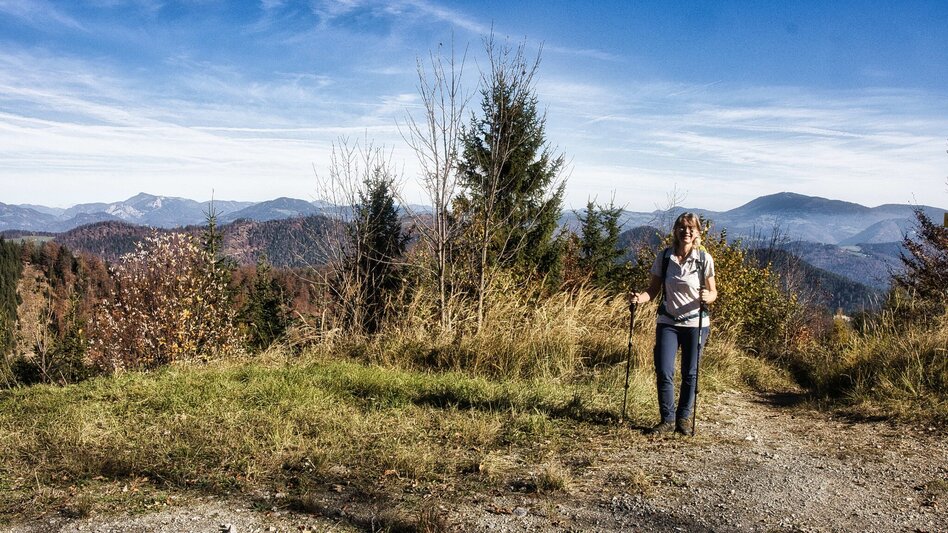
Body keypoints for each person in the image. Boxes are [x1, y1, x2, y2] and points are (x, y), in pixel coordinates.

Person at [629, 212, 717, 436]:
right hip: (668, 321)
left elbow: (713, 292)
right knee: (664, 370)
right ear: (676, 230)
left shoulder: (704, 259)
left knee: (690, 373)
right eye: (682, 227)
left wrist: (708, 297)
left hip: (696, 323)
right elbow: (653, 290)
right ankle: (667, 420)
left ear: (697, 232)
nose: (686, 231)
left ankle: (683, 419)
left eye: (691, 228)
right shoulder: (665, 257)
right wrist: (639, 298)